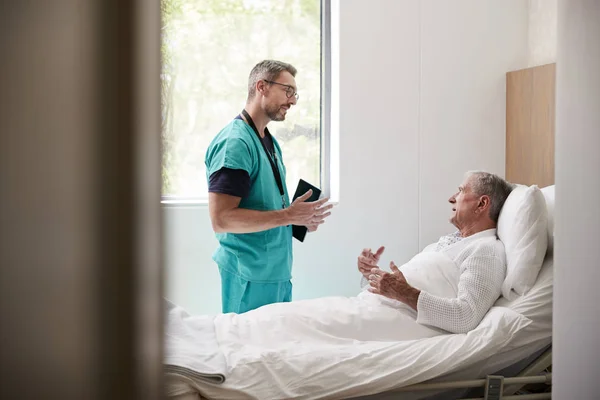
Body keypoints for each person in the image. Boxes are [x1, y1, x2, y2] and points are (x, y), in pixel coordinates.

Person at [205, 60, 334, 314]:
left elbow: (266, 205)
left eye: (295, 93)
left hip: (276, 275)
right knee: (248, 351)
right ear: (261, 86)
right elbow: (222, 219)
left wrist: (299, 219)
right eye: (288, 91)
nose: (293, 100)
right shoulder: (236, 143)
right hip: (249, 277)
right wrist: (288, 215)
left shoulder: (270, 142)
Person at [358, 171, 514, 333]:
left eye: (461, 190)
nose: (451, 198)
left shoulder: (486, 250)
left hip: (389, 322)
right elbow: (409, 284)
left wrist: (404, 293)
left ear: (482, 204)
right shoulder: (442, 244)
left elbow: (466, 316)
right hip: (369, 308)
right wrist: (371, 274)